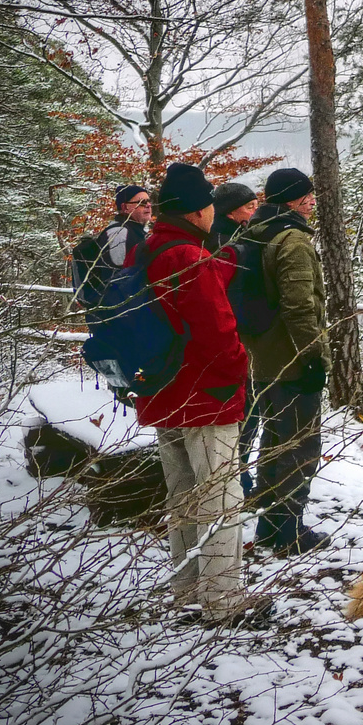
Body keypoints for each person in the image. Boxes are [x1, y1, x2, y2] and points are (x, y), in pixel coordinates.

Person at [133, 162, 271, 628]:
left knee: (183, 495)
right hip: (204, 395)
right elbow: (216, 330)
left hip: (163, 390)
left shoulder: (152, 248)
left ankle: (187, 587)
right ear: (197, 212)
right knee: (220, 496)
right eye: (210, 204)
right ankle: (222, 598)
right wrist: (239, 372)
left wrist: (224, 264)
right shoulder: (187, 257)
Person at [239, 167, 332, 555]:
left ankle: (269, 526)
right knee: (301, 447)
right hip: (291, 360)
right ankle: (288, 532)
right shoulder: (292, 239)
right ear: (293, 199)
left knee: (274, 443)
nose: (312, 201)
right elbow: (299, 305)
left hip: (263, 358)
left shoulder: (256, 233)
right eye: (307, 195)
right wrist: (312, 357)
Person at [210, 181, 263, 495]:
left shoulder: (220, 237)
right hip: (235, 338)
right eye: (249, 206)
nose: (254, 211)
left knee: (243, 409)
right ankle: (238, 479)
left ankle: (236, 477)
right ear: (231, 211)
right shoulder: (227, 243)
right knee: (245, 410)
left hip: (232, 336)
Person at [210, 182, 258, 250]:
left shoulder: (246, 234)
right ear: (230, 214)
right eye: (250, 207)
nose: (256, 210)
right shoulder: (225, 246)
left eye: (257, 206)